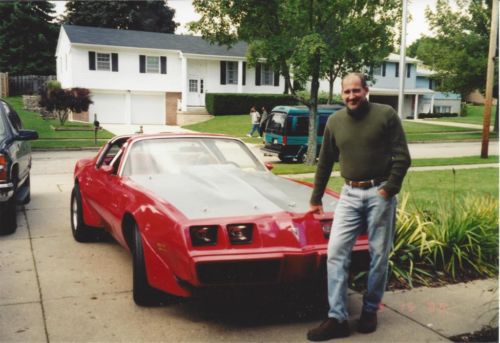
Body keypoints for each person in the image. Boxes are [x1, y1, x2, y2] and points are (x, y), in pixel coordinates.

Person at [307, 72, 411, 341]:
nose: (351, 96)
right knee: (336, 253)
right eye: (346, 92)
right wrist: (316, 197)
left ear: (366, 90)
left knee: (378, 255)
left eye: (356, 90)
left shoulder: (385, 114)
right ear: (341, 94)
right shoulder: (334, 121)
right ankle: (337, 318)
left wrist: (389, 189)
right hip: (349, 194)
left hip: (380, 194)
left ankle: (369, 311)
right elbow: (325, 162)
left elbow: (403, 157)